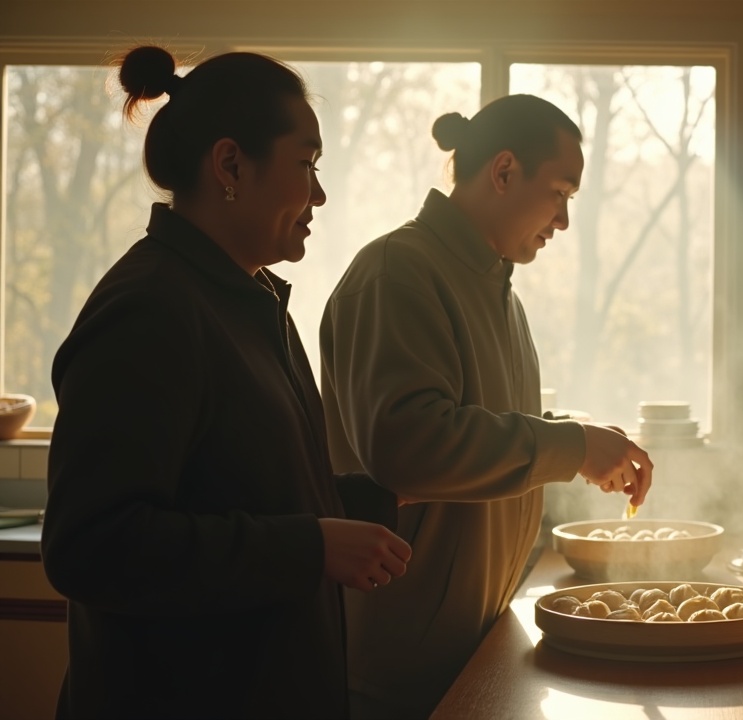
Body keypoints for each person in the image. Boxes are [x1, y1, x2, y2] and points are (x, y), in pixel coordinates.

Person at [41, 46, 412, 719]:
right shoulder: (150, 308)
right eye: (306, 165)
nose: (319, 193)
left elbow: (255, 490)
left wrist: (389, 495)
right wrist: (312, 546)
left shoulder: (251, 298)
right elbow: (92, 547)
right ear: (231, 165)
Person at [320, 93, 654, 718]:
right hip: (400, 675)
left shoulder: (500, 291)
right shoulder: (398, 272)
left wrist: (582, 441)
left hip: (474, 648)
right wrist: (572, 447)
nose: (562, 220)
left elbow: (487, 421)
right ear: (503, 172)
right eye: (560, 193)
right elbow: (413, 447)